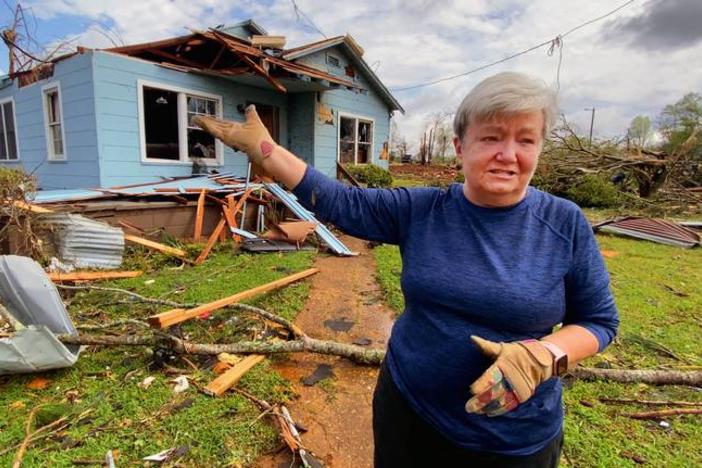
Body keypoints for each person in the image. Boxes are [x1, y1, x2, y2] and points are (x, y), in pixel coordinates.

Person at [192, 71, 619, 467]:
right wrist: (266, 151)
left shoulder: (564, 223)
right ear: (460, 145)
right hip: (409, 412)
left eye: (526, 140)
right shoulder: (422, 209)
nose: (508, 154)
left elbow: (599, 321)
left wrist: (543, 355)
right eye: (491, 137)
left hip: (514, 440)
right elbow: (343, 203)